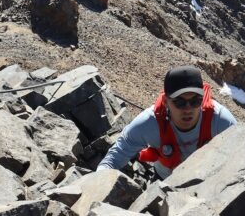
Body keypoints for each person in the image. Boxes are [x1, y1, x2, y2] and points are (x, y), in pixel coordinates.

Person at [97, 65, 237, 179]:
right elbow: (116, 155)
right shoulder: (150, 123)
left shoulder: (220, 120)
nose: (188, 109)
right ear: (165, 102)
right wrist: (97, 182)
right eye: (180, 102)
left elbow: (242, 155)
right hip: (165, 183)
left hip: (209, 181)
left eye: (195, 101)